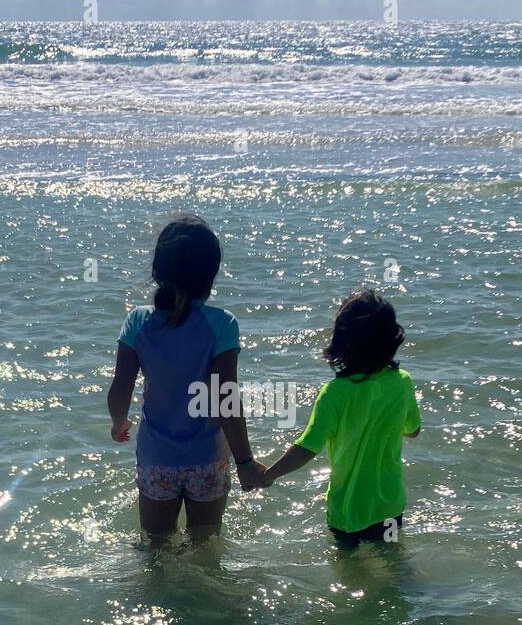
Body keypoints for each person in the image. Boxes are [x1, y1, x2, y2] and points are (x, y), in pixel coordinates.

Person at [107, 214, 266, 540]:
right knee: (205, 545)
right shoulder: (222, 324)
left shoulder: (138, 322)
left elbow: (121, 386)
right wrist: (245, 461)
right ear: (210, 274)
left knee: (156, 545)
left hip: (157, 459)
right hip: (207, 458)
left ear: (158, 270)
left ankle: (158, 592)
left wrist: (118, 421)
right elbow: (226, 400)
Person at [262, 288, 420, 546]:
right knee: (392, 563)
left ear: (342, 343)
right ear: (392, 339)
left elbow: (306, 448)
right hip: (390, 506)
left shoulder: (335, 393)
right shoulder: (402, 382)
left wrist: (268, 475)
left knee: (349, 571)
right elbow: (412, 430)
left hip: (348, 510)